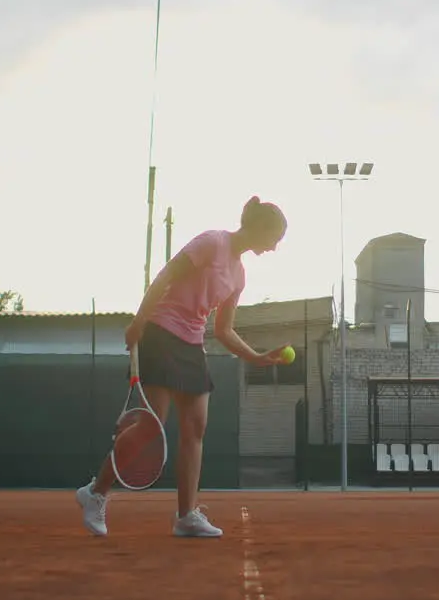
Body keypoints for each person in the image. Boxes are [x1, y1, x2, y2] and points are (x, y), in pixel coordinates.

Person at [76, 196, 291, 538]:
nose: (274, 247)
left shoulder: (239, 274)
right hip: (161, 331)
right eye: (274, 238)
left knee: (196, 427)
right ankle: (95, 492)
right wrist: (138, 322)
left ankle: (186, 515)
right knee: (152, 426)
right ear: (259, 227)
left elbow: (223, 330)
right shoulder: (212, 242)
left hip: (192, 345)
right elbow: (165, 277)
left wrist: (258, 357)